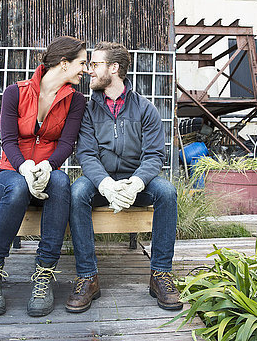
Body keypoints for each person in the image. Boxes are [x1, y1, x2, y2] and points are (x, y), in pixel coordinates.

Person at [66, 41, 181, 313]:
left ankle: (160, 275)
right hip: (99, 181)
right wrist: (105, 184)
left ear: (114, 68)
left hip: (135, 182)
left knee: (167, 193)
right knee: (76, 193)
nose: (90, 71)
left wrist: (137, 183)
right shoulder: (87, 110)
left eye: (95, 65)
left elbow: (154, 155)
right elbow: (86, 154)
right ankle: (88, 276)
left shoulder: (145, 109)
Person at [0, 36, 87, 317]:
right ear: (64, 64)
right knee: (16, 190)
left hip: (48, 175)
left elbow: (67, 143)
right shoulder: (15, 92)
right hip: (11, 173)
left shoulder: (75, 101)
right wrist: (25, 167)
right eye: (81, 63)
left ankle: (43, 274)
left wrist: (48, 166)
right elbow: (8, 140)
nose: (85, 69)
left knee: (62, 182)